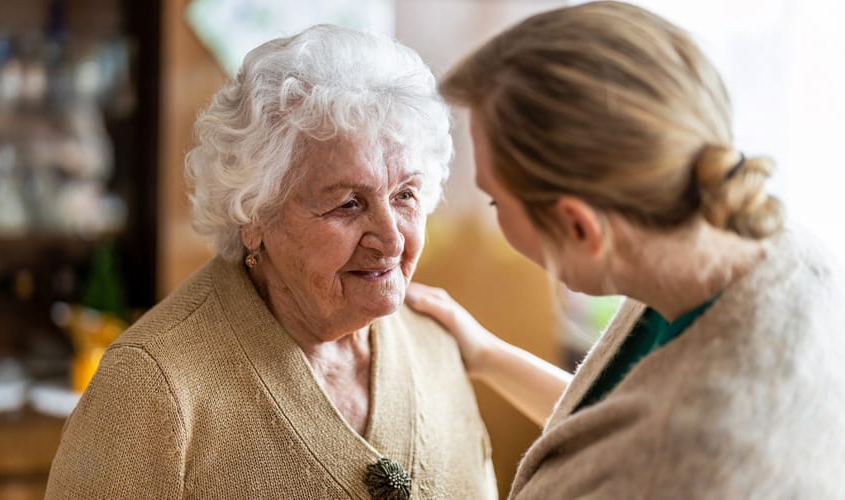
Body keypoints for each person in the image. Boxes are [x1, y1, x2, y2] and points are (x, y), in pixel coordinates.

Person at [406, 2, 845, 498]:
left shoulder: (693, 463)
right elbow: (613, 424)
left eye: (493, 199)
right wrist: (486, 354)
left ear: (578, 226)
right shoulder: (757, 246)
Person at [46, 25, 497, 499]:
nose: (390, 238)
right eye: (347, 203)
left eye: (405, 195)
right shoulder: (150, 387)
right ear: (253, 213)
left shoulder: (438, 346)